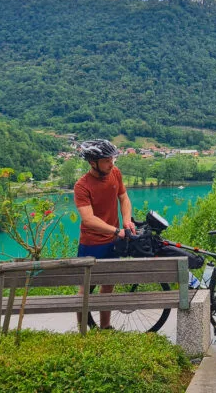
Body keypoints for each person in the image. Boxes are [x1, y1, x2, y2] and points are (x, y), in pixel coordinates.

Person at [74, 139, 136, 329]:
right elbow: (88, 219)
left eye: (112, 159)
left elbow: (124, 198)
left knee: (108, 285)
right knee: (85, 290)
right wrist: (116, 230)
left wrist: (126, 220)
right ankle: (83, 330)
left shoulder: (115, 173)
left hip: (114, 240)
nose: (111, 164)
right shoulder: (82, 186)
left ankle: (105, 327)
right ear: (93, 162)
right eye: (107, 161)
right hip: (92, 243)